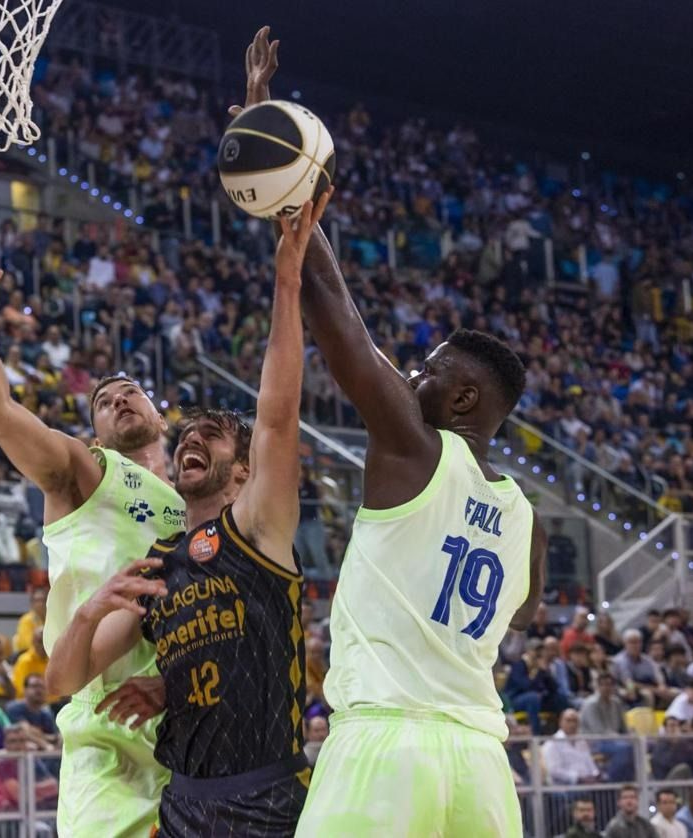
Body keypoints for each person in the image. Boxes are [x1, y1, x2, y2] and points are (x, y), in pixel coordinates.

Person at [227, 27, 540, 836]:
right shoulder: (526, 515)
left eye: (430, 371)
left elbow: (333, 306)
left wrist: (269, 139)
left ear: (465, 399)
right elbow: (524, 611)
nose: (411, 376)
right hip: (480, 759)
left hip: (386, 746)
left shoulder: (414, 446)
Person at [48, 192, 324, 836]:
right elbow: (62, 682)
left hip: (269, 793)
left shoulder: (258, 531)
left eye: (213, 435)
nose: (193, 439)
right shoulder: (158, 568)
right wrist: (92, 611)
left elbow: (279, 413)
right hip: (182, 805)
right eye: (188, 435)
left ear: (244, 471)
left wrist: (287, 280)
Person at [0, 231, 186, 837]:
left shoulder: (192, 498)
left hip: (184, 713)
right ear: (92, 431)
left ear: (158, 415)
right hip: (106, 717)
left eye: (131, 394)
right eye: (104, 401)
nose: (120, 401)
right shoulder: (87, 470)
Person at [540, 709, 600, 785]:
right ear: (560, 722)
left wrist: (596, 774)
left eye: (575, 721)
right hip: (565, 785)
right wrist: (578, 778)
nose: (572, 724)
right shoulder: (552, 743)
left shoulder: (581, 741)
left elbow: (590, 764)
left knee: (607, 785)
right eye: (568, 721)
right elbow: (554, 771)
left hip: (587, 782)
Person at [7, 673, 61, 749]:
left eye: (42, 687)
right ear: (25, 689)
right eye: (34, 686)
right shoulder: (14, 707)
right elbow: (25, 732)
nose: (39, 690)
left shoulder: (46, 713)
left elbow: (54, 736)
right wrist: (46, 744)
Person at [13, 587, 48, 655]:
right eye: (37, 600)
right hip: (27, 655)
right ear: (32, 603)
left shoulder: (50, 619)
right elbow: (27, 644)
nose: (40, 604)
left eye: (43, 600)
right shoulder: (26, 620)